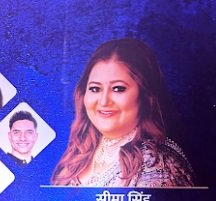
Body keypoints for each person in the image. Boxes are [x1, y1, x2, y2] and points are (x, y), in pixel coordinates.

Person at [50, 39, 194, 187]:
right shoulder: (79, 153)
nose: (104, 101)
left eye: (118, 88)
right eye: (95, 89)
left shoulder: (158, 165)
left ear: (145, 96)